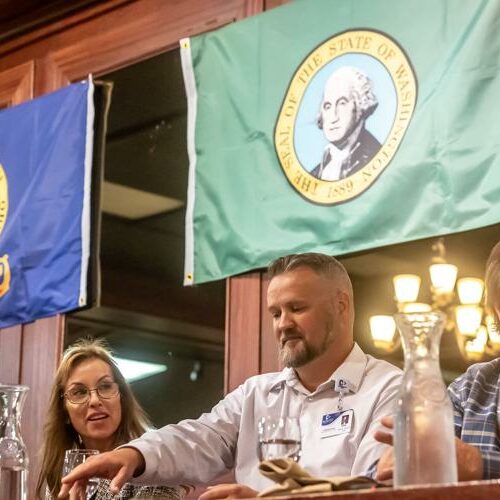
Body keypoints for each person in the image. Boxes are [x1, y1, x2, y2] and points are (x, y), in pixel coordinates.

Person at [59, 253, 402, 499]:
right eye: (275, 312)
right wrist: (133, 455)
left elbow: (375, 491)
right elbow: (198, 438)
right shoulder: (258, 393)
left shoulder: (390, 389)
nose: (283, 323)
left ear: (341, 306)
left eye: (297, 308)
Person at [375, 240, 500, 481]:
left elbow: (464, 462)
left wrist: (478, 464)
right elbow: (388, 473)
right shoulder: (472, 385)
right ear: (496, 309)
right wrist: (399, 462)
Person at [36, 338, 185, 499]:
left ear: (121, 397)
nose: (94, 400)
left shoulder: (154, 461)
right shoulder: (64, 468)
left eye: (105, 386)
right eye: (79, 392)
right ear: (64, 412)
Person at [311, 66, 381, 181]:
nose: (333, 116)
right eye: (327, 106)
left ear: (361, 104)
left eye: (342, 103)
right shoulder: (315, 174)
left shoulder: (377, 159)